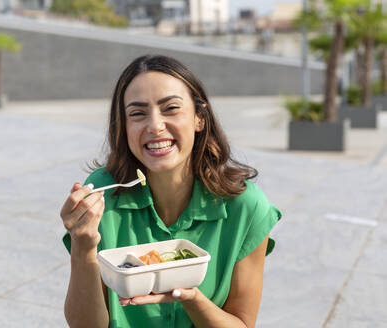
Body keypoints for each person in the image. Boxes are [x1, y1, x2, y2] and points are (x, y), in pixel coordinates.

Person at [60, 55, 282, 328]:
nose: (154, 126)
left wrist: (190, 297)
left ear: (200, 118)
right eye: (138, 113)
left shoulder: (246, 207)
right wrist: (82, 245)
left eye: (171, 108)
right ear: (124, 127)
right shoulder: (103, 195)